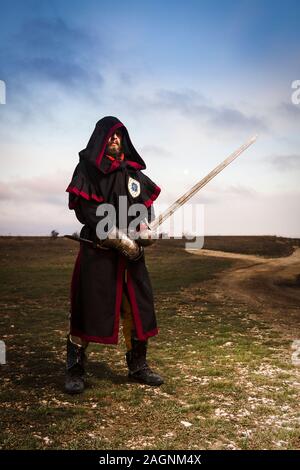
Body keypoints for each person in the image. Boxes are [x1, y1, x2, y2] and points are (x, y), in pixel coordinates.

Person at [65, 116, 164, 394]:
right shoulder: (87, 170)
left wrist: (144, 227)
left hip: (132, 257)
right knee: (88, 309)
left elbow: (144, 207)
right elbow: (86, 211)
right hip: (99, 252)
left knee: (137, 309)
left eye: (119, 135)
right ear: (100, 139)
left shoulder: (133, 174)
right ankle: (75, 369)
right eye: (109, 135)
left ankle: (138, 366)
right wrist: (120, 239)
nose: (115, 139)